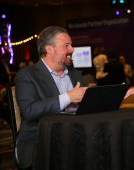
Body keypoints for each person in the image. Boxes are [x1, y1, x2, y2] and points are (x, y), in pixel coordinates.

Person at [14, 26, 88, 169]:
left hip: (74, 138)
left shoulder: (75, 74)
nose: (72, 50)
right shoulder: (27, 75)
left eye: (71, 45)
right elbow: (30, 111)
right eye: (66, 45)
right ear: (49, 49)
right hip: (39, 142)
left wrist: (112, 96)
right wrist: (68, 97)